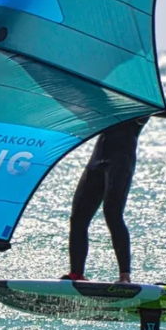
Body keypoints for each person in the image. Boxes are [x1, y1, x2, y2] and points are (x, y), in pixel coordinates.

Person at [61, 116, 150, 283]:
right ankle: (76, 274)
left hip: (120, 162)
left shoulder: (140, 108)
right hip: (96, 162)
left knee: (112, 214)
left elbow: (151, 109)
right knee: (78, 217)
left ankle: (124, 276)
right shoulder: (111, 102)